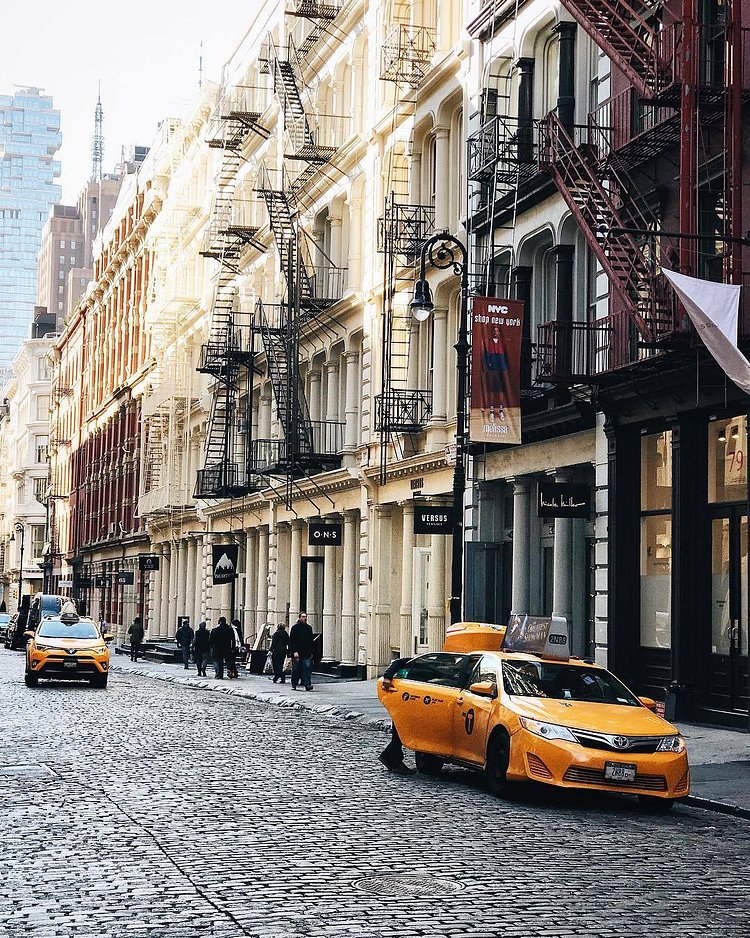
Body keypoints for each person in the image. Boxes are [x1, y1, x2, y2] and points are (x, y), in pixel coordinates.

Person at [378, 657, 416, 775]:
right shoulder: (429, 661)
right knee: (399, 733)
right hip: (409, 700)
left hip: (415, 700)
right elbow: (398, 662)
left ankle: (390, 757)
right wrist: (387, 677)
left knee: (399, 733)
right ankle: (392, 759)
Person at [288, 611, 314, 691]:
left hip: (306, 653)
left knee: (307, 668)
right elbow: (292, 641)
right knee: (296, 669)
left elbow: (310, 641)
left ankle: (307, 684)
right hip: (297, 652)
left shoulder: (309, 628)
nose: (305, 618)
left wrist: (311, 652)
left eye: (305, 617)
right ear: (299, 618)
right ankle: (294, 684)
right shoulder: (295, 628)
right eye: (303, 617)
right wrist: (294, 651)